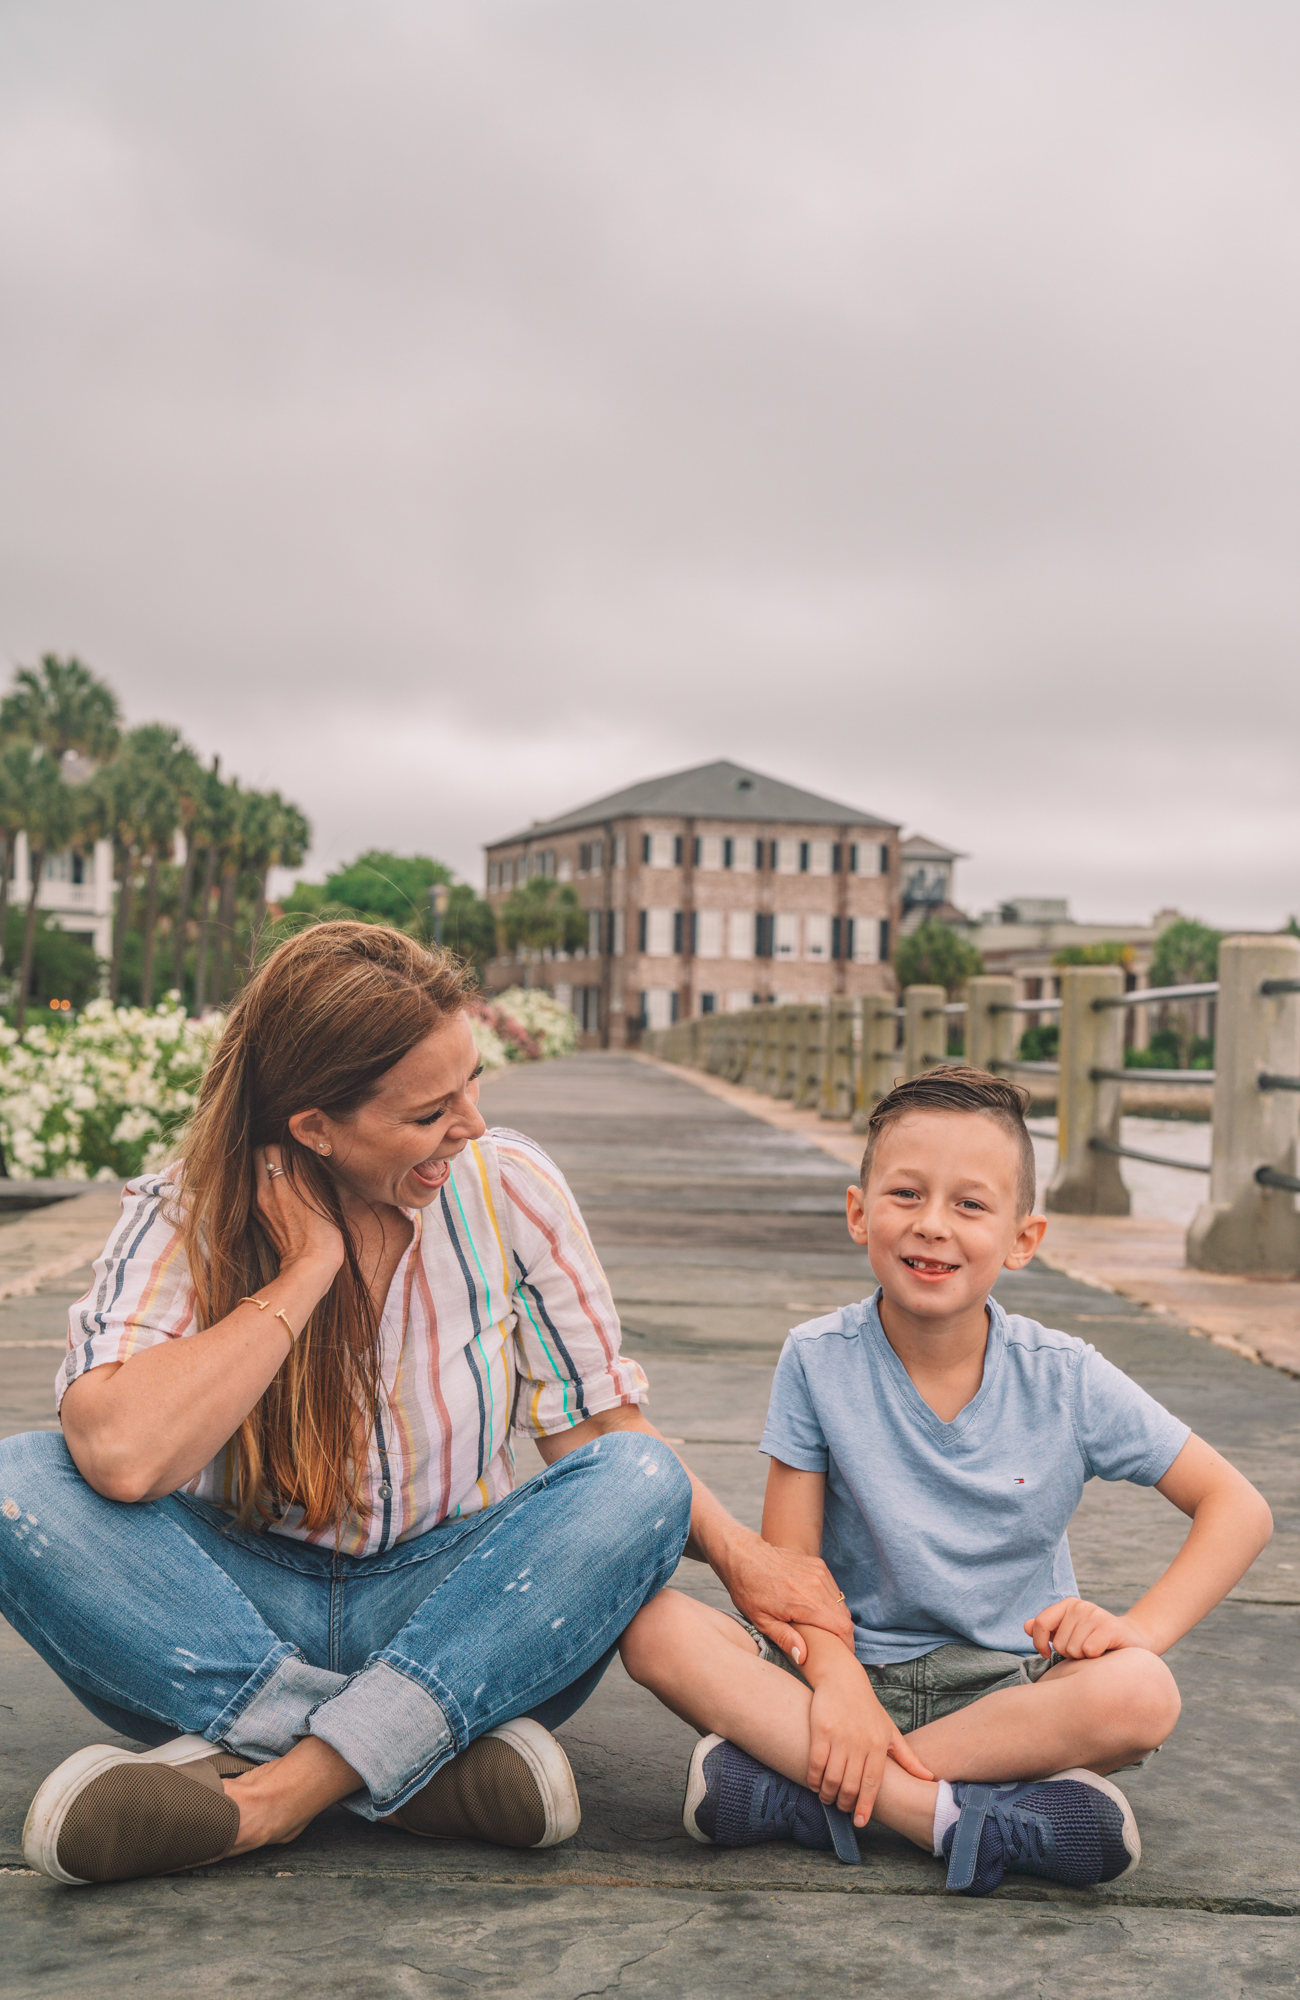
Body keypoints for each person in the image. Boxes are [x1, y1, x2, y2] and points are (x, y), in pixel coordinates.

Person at [0, 922, 852, 1886]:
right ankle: (410, 1762)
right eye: (428, 1112)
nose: (473, 1124)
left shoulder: (508, 1192)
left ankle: (273, 1791)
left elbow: (604, 1434)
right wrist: (308, 1268)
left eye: (473, 1084)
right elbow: (119, 1456)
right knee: (17, 1482)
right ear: (315, 1127)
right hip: (237, 1618)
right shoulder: (185, 1211)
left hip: (451, 1609)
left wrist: (744, 1558)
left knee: (642, 1481)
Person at [619, 1065, 1273, 1895]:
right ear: (859, 1213)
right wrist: (842, 1686)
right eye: (905, 1195)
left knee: (1142, 1693)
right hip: (841, 1676)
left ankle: (819, 1791)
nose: (933, 1226)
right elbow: (792, 1575)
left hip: (1007, 1694)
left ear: (1023, 1238)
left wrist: (1135, 1632)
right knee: (654, 1627)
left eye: (970, 1205)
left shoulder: (1065, 1377)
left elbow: (1237, 1508)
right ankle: (953, 1818)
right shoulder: (819, 1359)